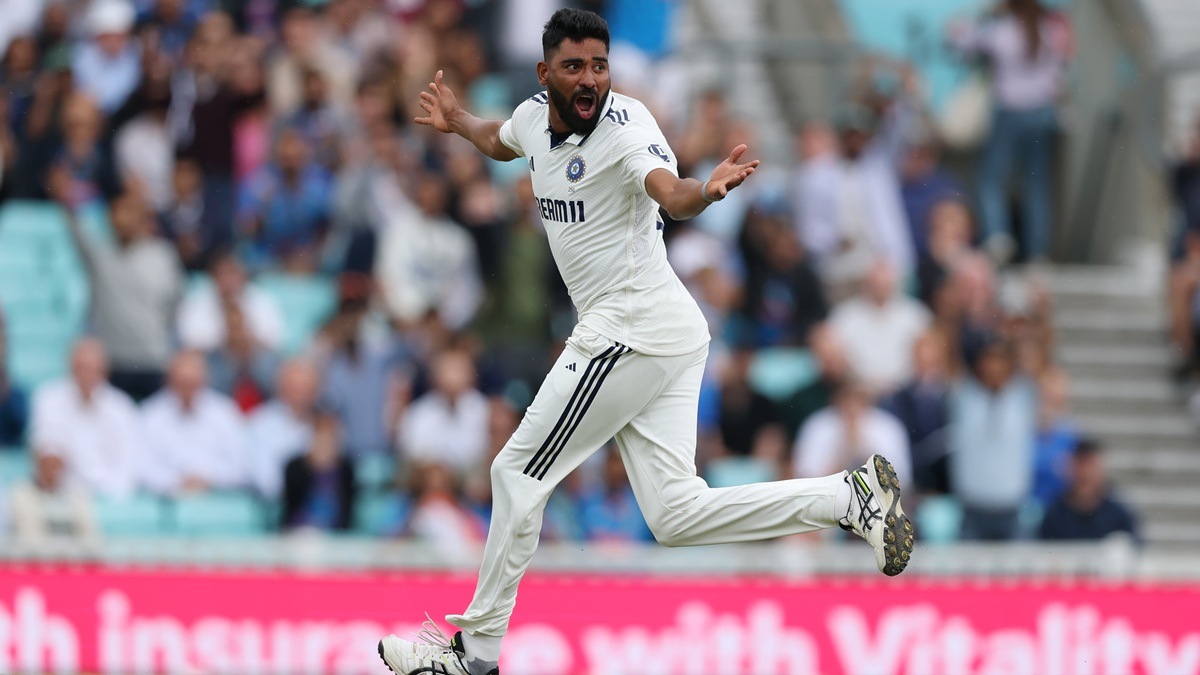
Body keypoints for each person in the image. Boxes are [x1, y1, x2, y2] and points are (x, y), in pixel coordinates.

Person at [376, 11, 914, 675]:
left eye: (599, 66)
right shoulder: (532, 116)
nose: (590, 79)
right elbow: (502, 139)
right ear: (545, 74)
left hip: (631, 326)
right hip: (663, 331)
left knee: (516, 472)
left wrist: (704, 193)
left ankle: (473, 652)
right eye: (574, 66)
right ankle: (849, 498)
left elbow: (672, 191)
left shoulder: (627, 129)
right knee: (675, 514)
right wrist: (459, 122)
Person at [949, 0, 1072, 263]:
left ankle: (998, 235)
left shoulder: (1002, 29)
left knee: (990, 178)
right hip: (1042, 113)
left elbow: (963, 42)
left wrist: (977, 19)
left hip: (1010, 112)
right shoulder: (1050, 28)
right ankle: (1038, 250)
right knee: (1036, 186)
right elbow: (1064, 63)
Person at [28, 338, 142, 498]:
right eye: (80, 368)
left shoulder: (122, 407)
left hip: (112, 498)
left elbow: (129, 466)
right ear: (70, 368)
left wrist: (105, 495)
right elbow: (48, 449)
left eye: (92, 369)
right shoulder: (49, 398)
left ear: (105, 371)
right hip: (65, 498)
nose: (86, 375)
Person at [1038, 438, 1139, 542]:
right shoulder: (1054, 516)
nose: (1085, 473)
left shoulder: (1118, 516)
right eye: (1080, 465)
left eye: (1090, 465)